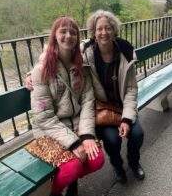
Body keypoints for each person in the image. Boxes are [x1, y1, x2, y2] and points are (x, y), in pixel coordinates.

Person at [29, 17, 104, 196]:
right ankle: (55, 191)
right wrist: (73, 143)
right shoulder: (42, 71)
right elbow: (43, 117)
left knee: (97, 160)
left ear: (77, 37)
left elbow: (87, 101)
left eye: (73, 32)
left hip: (77, 125)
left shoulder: (81, 66)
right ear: (54, 35)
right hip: (49, 130)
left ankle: (70, 180)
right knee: (73, 167)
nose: (68, 36)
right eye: (63, 31)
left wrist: (86, 136)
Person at [82, 10, 145, 183]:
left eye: (108, 28)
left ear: (114, 30)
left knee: (137, 134)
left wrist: (126, 119)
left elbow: (131, 89)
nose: (104, 33)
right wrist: (30, 74)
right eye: (99, 29)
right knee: (112, 140)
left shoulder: (125, 52)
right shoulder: (86, 52)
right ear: (94, 32)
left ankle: (134, 162)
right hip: (103, 111)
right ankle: (117, 165)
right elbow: (56, 53)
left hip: (123, 107)